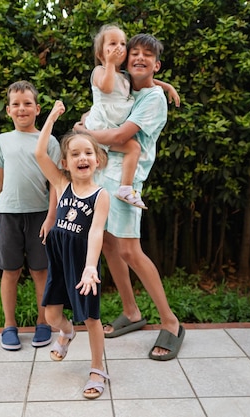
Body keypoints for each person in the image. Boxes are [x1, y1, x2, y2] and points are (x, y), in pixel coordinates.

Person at [74, 33, 185, 361]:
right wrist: (164, 82)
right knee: (107, 243)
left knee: (129, 249)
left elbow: (123, 135)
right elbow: (118, 90)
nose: (138, 58)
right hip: (100, 175)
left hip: (126, 181)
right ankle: (131, 311)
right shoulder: (126, 85)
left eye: (146, 55)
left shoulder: (153, 99)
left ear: (156, 63)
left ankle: (171, 321)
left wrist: (85, 134)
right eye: (133, 53)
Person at [35, 100, 111, 399]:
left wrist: (91, 266)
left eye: (88, 153)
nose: (83, 157)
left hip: (83, 264)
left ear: (98, 160)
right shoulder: (61, 184)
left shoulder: (100, 195)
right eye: (75, 153)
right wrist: (52, 117)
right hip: (58, 259)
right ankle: (66, 333)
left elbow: (95, 231)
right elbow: (40, 153)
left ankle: (97, 369)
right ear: (65, 162)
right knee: (52, 315)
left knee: (91, 318)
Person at [0, 80, 61, 351]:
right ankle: (9, 326)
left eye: (27, 103)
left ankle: (44, 323)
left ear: (38, 108)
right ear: (8, 110)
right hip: (8, 214)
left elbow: (55, 182)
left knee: (41, 271)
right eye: (16, 105)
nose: (22, 109)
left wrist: (51, 216)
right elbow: (0, 176)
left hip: (40, 215)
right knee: (10, 271)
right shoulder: (3, 140)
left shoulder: (48, 141)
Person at [85, 24, 180, 210]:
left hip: (111, 130)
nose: (119, 47)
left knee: (131, 148)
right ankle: (126, 188)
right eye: (112, 44)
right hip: (102, 125)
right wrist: (110, 63)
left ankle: (125, 187)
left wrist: (167, 86)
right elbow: (106, 88)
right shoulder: (100, 72)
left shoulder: (126, 77)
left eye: (122, 43)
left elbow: (147, 78)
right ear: (100, 54)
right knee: (132, 147)